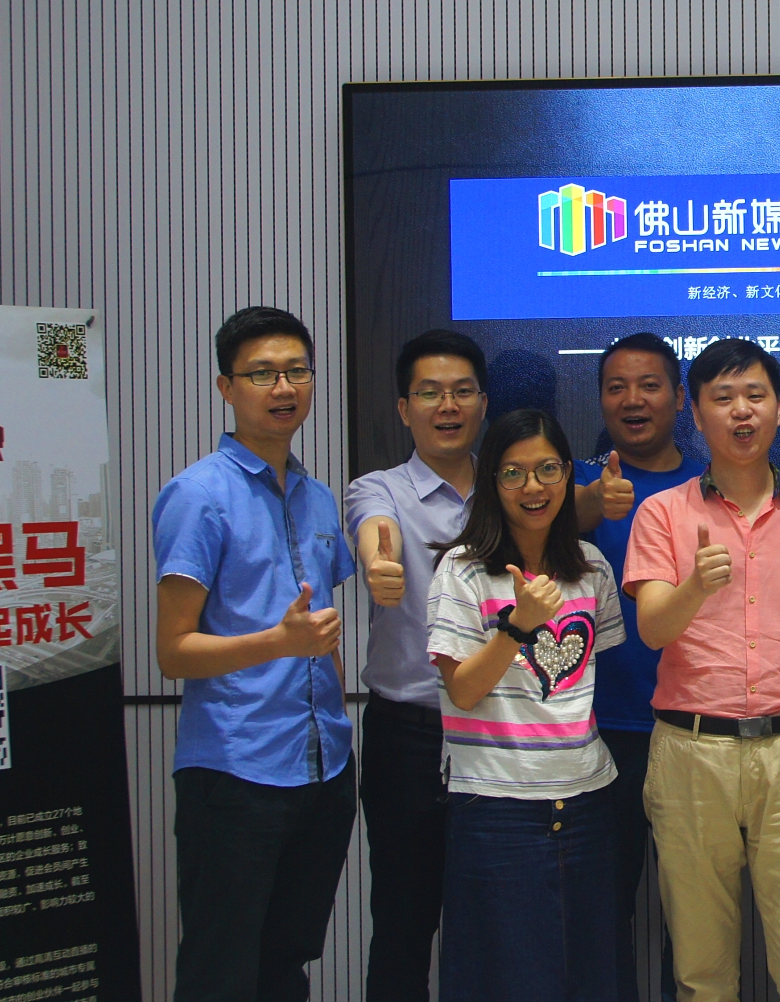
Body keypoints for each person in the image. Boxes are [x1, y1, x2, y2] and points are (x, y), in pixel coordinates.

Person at [623, 338, 780, 1002]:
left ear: (779, 409)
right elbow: (652, 629)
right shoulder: (662, 513)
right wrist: (694, 587)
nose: (741, 411)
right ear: (695, 413)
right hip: (690, 752)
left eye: (755, 396)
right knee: (701, 973)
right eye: (723, 398)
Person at [151, 306, 357, 1002]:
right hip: (236, 772)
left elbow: (320, 636)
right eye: (263, 373)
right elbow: (173, 652)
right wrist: (277, 643)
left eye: (297, 371)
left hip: (323, 767)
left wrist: (335, 717)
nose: (284, 387)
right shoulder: (197, 495)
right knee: (222, 969)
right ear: (226, 387)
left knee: (287, 961)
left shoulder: (318, 498)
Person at [427, 408, 626, 1001]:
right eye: (513, 473)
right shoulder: (462, 570)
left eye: (547, 470)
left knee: (593, 973)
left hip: (589, 798)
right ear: (492, 481)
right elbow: (462, 690)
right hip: (495, 806)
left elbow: (588, 678)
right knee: (505, 978)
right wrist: (516, 627)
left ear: (567, 475)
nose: (533, 487)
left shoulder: (591, 567)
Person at [344, 329, 487, 1001]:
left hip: (499, 734)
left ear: (482, 402)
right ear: (404, 408)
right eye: (429, 393)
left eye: (461, 391)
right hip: (408, 735)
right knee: (402, 926)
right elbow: (375, 530)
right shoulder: (377, 489)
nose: (447, 406)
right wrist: (378, 563)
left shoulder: (510, 488)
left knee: (491, 921)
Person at [569, 332, 705, 1000]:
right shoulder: (573, 481)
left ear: (679, 398)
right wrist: (591, 505)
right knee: (600, 915)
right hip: (601, 736)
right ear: (599, 399)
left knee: (700, 925)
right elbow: (533, 527)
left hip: (697, 731)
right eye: (616, 387)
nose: (632, 399)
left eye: (649, 385)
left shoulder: (713, 483)